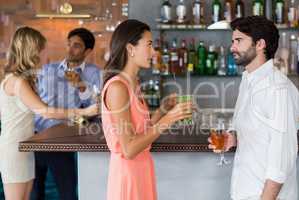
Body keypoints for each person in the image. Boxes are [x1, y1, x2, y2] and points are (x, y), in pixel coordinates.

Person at [0, 27, 98, 200]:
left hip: (29, 145)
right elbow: (45, 111)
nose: (39, 56)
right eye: (38, 50)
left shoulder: (21, 80)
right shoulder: (19, 81)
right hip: (18, 147)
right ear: (29, 51)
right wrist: (83, 111)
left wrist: (82, 93)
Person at [208, 16, 299, 200]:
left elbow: (282, 159)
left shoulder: (277, 89)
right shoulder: (248, 80)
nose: (232, 47)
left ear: (260, 44)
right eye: (233, 41)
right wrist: (234, 139)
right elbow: (260, 133)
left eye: (239, 41)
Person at [101, 19, 193, 200]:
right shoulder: (118, 87)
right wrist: (168, 120)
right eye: (149, 45)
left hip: (141, 170)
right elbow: (129, 149)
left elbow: (141, 132)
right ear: (130, 49)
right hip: (128, 175)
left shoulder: (132, 84)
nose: (153, 52)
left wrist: (161, 111)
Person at [32, 28, 101, 200]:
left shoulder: (94, 74)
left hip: (63, 140)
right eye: (69, 44)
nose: (70, 49)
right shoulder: (47, 69)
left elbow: (98, 109)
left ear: (88, 51)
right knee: (34, 193)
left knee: (67, 193)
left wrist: (81, 86)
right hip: (36, 137)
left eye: (76, 46)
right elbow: (34, 101)